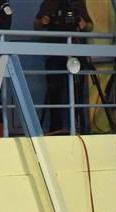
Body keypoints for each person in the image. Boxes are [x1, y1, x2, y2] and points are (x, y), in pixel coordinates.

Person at [34, 0, 93, 135]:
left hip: (76, 52)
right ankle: (55, 130)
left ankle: (79, 129)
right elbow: (36, 24)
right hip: (54, 54)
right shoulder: (49, 3)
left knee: (77, 93)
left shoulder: (78, 2)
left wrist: (84, 25)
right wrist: (43, 22)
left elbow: (90, 25)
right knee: (54, 94)